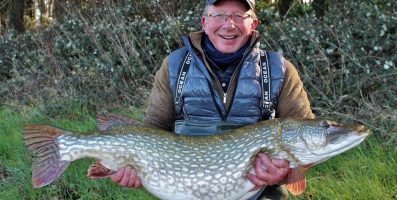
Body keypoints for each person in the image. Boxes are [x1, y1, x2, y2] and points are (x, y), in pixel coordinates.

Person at [109, 0, 314, 199]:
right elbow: (153, 129)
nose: (229, 24)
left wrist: (286, 173)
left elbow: (307, 139)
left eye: (238, 16)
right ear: (205, 22)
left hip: (260, 192)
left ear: (253, 23)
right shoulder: (174, 66)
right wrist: (133, 164)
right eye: (219, 15)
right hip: (186, 191)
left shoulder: (279, 69)